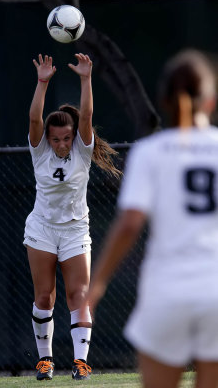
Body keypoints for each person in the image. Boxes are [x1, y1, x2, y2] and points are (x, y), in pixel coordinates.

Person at [81, 49, 218, 388]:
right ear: (211, 101)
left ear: (165, 100)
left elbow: (130, 224)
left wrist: (95, 288)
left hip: (166, 293)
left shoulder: (150, 152)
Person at [23, 53, 121, 381]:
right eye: (57, 139)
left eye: (67, 138)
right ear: (47, 139)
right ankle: (45, 361)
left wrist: (85, 77)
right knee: (43, 296)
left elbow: (87, 113)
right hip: (42, 229)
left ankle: (81, 363)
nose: (62, 144)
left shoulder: (82, 150)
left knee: (78, 294)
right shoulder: (40, 151)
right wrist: (42, 82)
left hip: (76, 230)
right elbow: (35, 119)